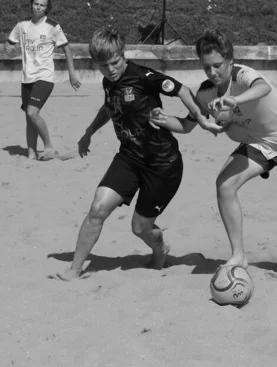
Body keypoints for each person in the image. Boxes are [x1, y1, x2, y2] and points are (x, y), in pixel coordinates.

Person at [150, 30, 277, 278]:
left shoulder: (243, 75)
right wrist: (161, 120)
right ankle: (238, 255)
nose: (213, 73)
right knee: (224, 185)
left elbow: (263, 88)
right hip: (258, 143)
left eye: (217, 66)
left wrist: (233, 101)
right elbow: (187, 125)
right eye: (207, 68)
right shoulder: (205, 93)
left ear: (230, 60)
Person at [53, 27, 222, 281]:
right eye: (103, 66)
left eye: (115, 62)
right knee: (97, 210)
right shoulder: (108, 81)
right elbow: (109, 107)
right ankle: (74, 271)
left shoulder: (144, 76)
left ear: (123, 54)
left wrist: (201, 119)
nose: (110, 70)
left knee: (140, 227)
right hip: (129, 158)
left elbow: (183, 90)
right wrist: (88, 132)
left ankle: (160, 248)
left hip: (163, 165)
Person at [5, 0, 81, 161]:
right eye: (36, 4)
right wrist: (8, 49)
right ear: (31, 5)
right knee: (29, 117)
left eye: (42, 5)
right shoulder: (22, 25)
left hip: (45, 77)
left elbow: (67, 49)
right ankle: (31, 154)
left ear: (47, 8)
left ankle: (49, 147)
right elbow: (10, 45)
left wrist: (72, 74)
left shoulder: (53, 27)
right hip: (26, 77)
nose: (38, 7)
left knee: (33, 112)